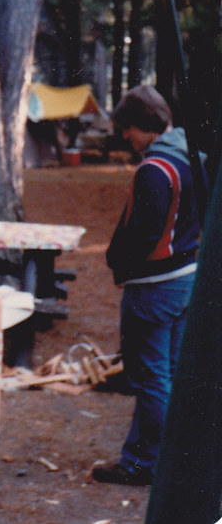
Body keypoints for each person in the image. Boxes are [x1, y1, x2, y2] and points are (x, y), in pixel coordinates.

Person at [93, 85, 201, 487]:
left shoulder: (155, 169)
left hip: (154, 286)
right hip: (184, 279)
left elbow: (142, 233)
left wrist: (117, 262)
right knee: (166, 375)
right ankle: (160, 457)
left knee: (150, 379)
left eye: (128, 130)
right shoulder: (191, 156)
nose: (126, 139)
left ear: (143, 126)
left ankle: (146, 464)